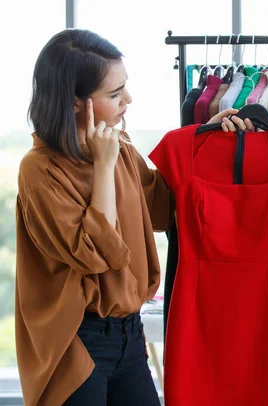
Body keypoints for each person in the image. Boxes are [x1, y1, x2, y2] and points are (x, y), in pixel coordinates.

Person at [15, 28, 252, 406]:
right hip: (76, 343)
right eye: (114, 93)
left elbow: (162, 207)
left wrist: (208, 139)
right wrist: (103, 166)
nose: (128, 99)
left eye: (124, 87)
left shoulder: (119, 148)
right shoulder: (40, 171)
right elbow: (97, 253)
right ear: (76, 102)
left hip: (128, 335)